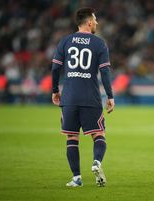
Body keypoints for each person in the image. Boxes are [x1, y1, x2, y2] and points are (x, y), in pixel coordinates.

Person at [51, 7, 115, 187]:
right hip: (90, 97)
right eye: (95, 20)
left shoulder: (65, 41)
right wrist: (110, 95)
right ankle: (96, 162)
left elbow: (55, 68)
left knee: (72, 138)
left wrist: (55, 90)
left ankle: (76, 178)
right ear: (88, 22)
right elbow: (104, 71)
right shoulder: (99, 43)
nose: (96, 22)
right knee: (98, 134)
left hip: (69, 98)